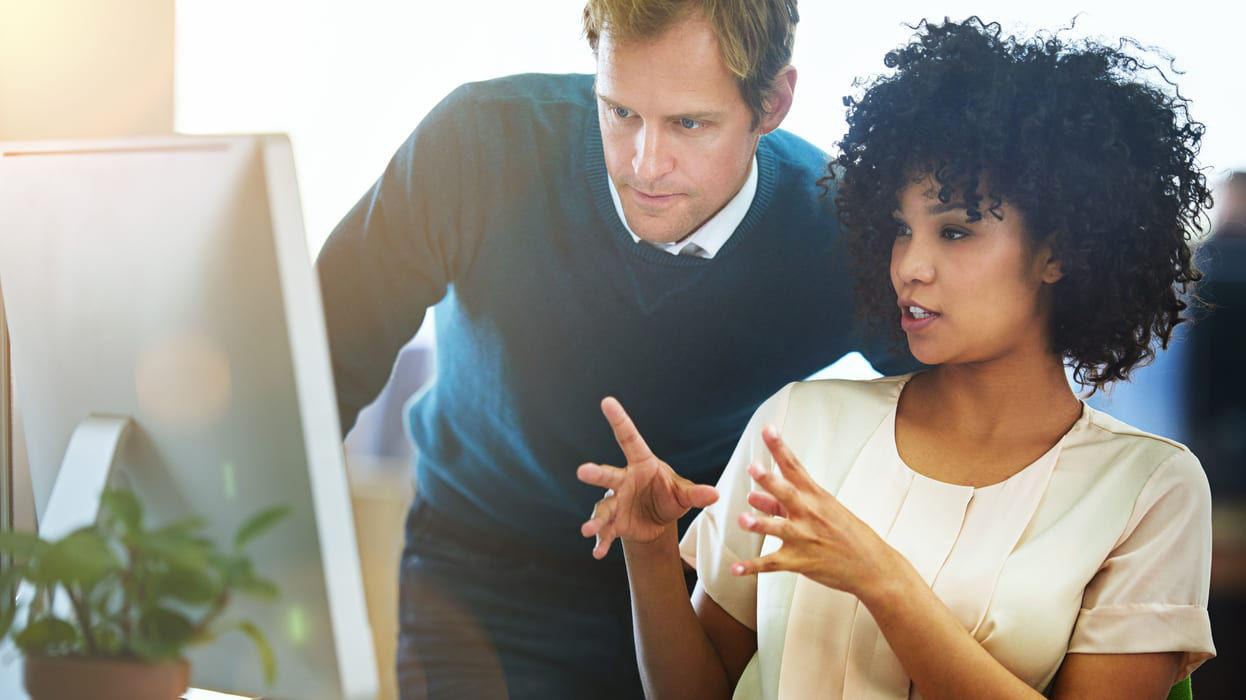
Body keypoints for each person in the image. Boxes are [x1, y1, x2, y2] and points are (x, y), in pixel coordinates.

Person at [579, 18, 1216, 699]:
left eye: (956, 231)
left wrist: (884, 583)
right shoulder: (799, 427)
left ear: (1058, 251)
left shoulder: (1148, 488)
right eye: (902, 230)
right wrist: (650, 551)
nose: (910, 266)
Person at [315, 1, 914, 697]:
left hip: (684, 600)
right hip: (476, 567)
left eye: (689, 123)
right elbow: (319, 358)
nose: (644, 163)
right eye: (620, 111)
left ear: (772, 102)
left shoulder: (836, 229)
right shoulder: (480, 141)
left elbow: (957, 380)